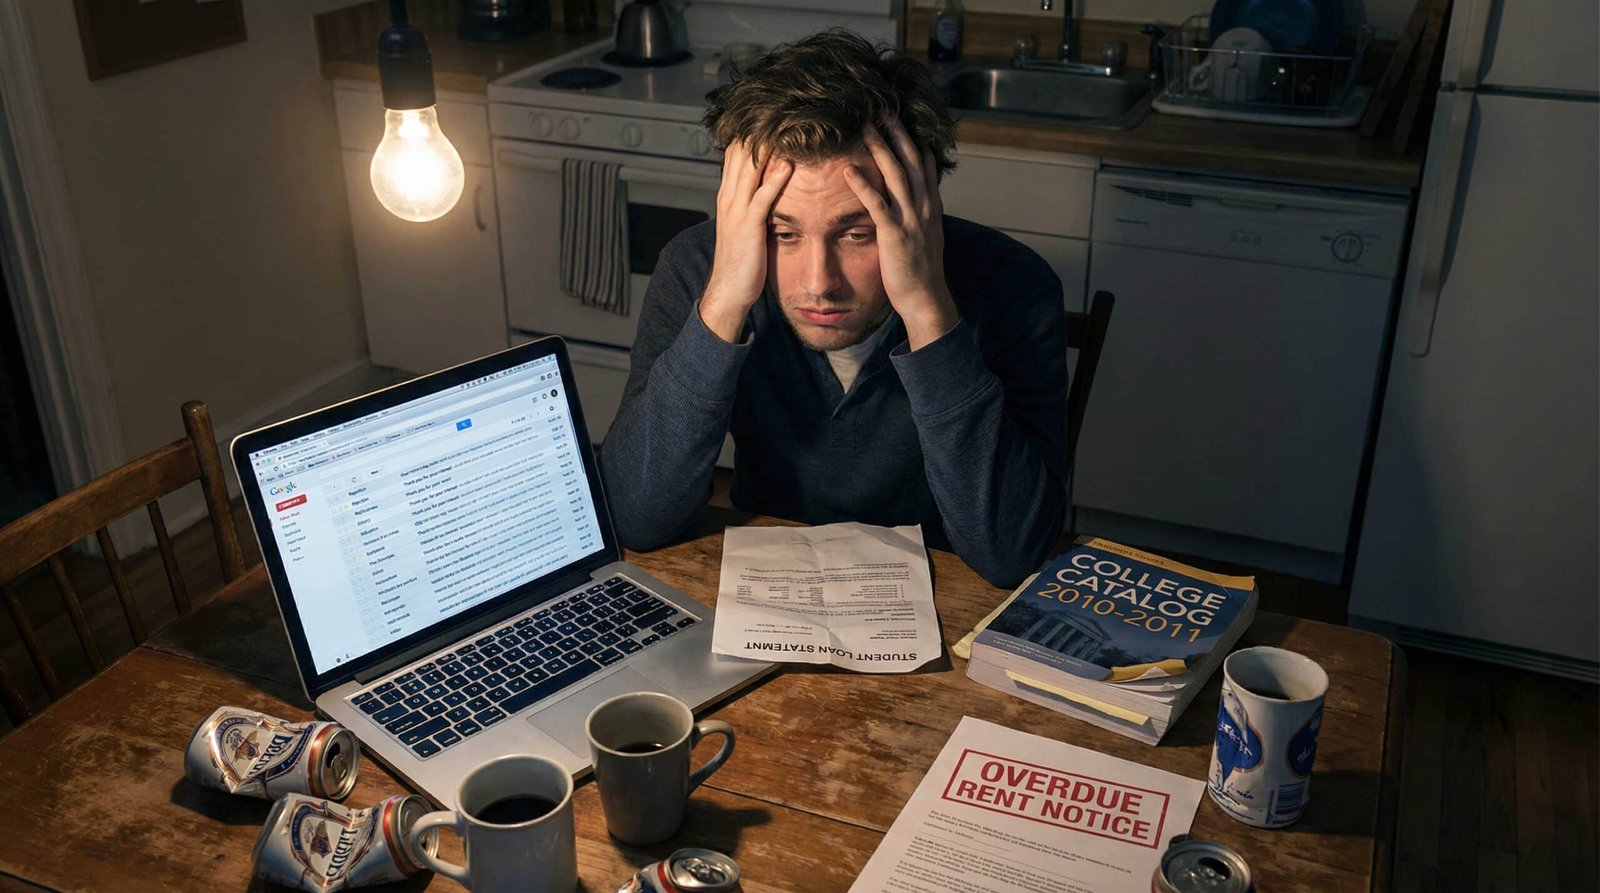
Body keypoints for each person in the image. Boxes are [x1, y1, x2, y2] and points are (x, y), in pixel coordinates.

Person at [599, 29, 1069, 587]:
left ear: (923, 210)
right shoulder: (698, 269)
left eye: (857, 234)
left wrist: (928, 310)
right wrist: (724, 300)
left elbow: (1014, 553)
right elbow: (637, 518)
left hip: (948, 592)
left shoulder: (1015, 284)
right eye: (783, 233)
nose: (819, 284)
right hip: (761, 581)